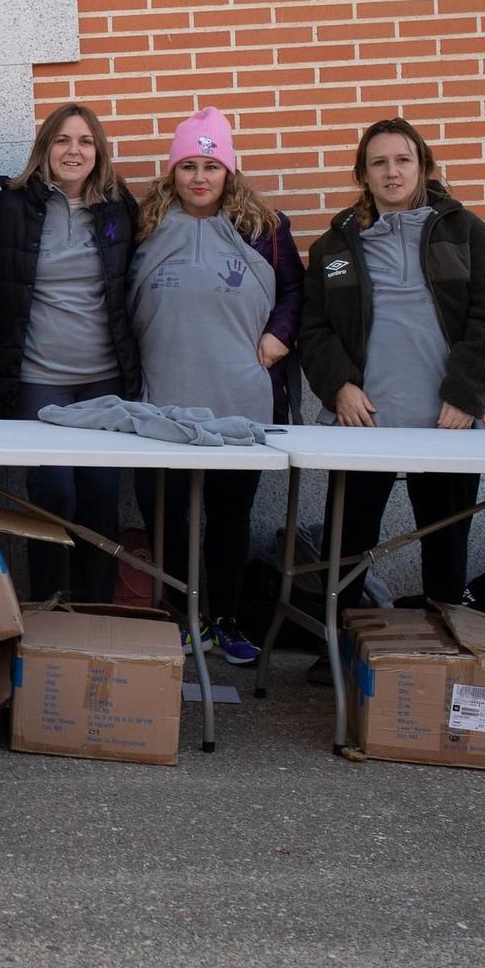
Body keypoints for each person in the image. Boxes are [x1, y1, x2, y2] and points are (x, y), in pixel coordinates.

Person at [300, 117, 485, 672]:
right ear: (362, 175)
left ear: (424, 168)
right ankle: (336, 650)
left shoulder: (470, 234)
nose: (392, 172)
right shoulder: (333, 247)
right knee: (347, 544)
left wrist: (468, 397)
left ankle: (450, 651)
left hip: (448, 425)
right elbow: (314, 330)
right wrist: (339, 387)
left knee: (445, 545)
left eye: (403, 161)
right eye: (379, 163)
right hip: (363, 424)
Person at [128, 107, 299, 665]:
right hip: (161, 399)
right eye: (188, 166)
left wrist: (277, 336)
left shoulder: (266, 229)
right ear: (171, 173)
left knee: (229, 514)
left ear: (229, 172)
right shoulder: (144, 226)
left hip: (238, 399)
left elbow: (296, 294)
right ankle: (181, 616)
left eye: (211, 165)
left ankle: (225, 617)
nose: (199, 177)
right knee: (166, 511)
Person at [0, 104, 140, 603]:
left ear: (99, 152)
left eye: (86, 141)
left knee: (99, 496)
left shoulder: (119, 208)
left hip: (103, 379)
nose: (74, 151)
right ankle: (51, 604)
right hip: (37, 377)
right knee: (52, 495)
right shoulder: (9, 206)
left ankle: (95, 611)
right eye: (63, 140)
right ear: (45, 148)